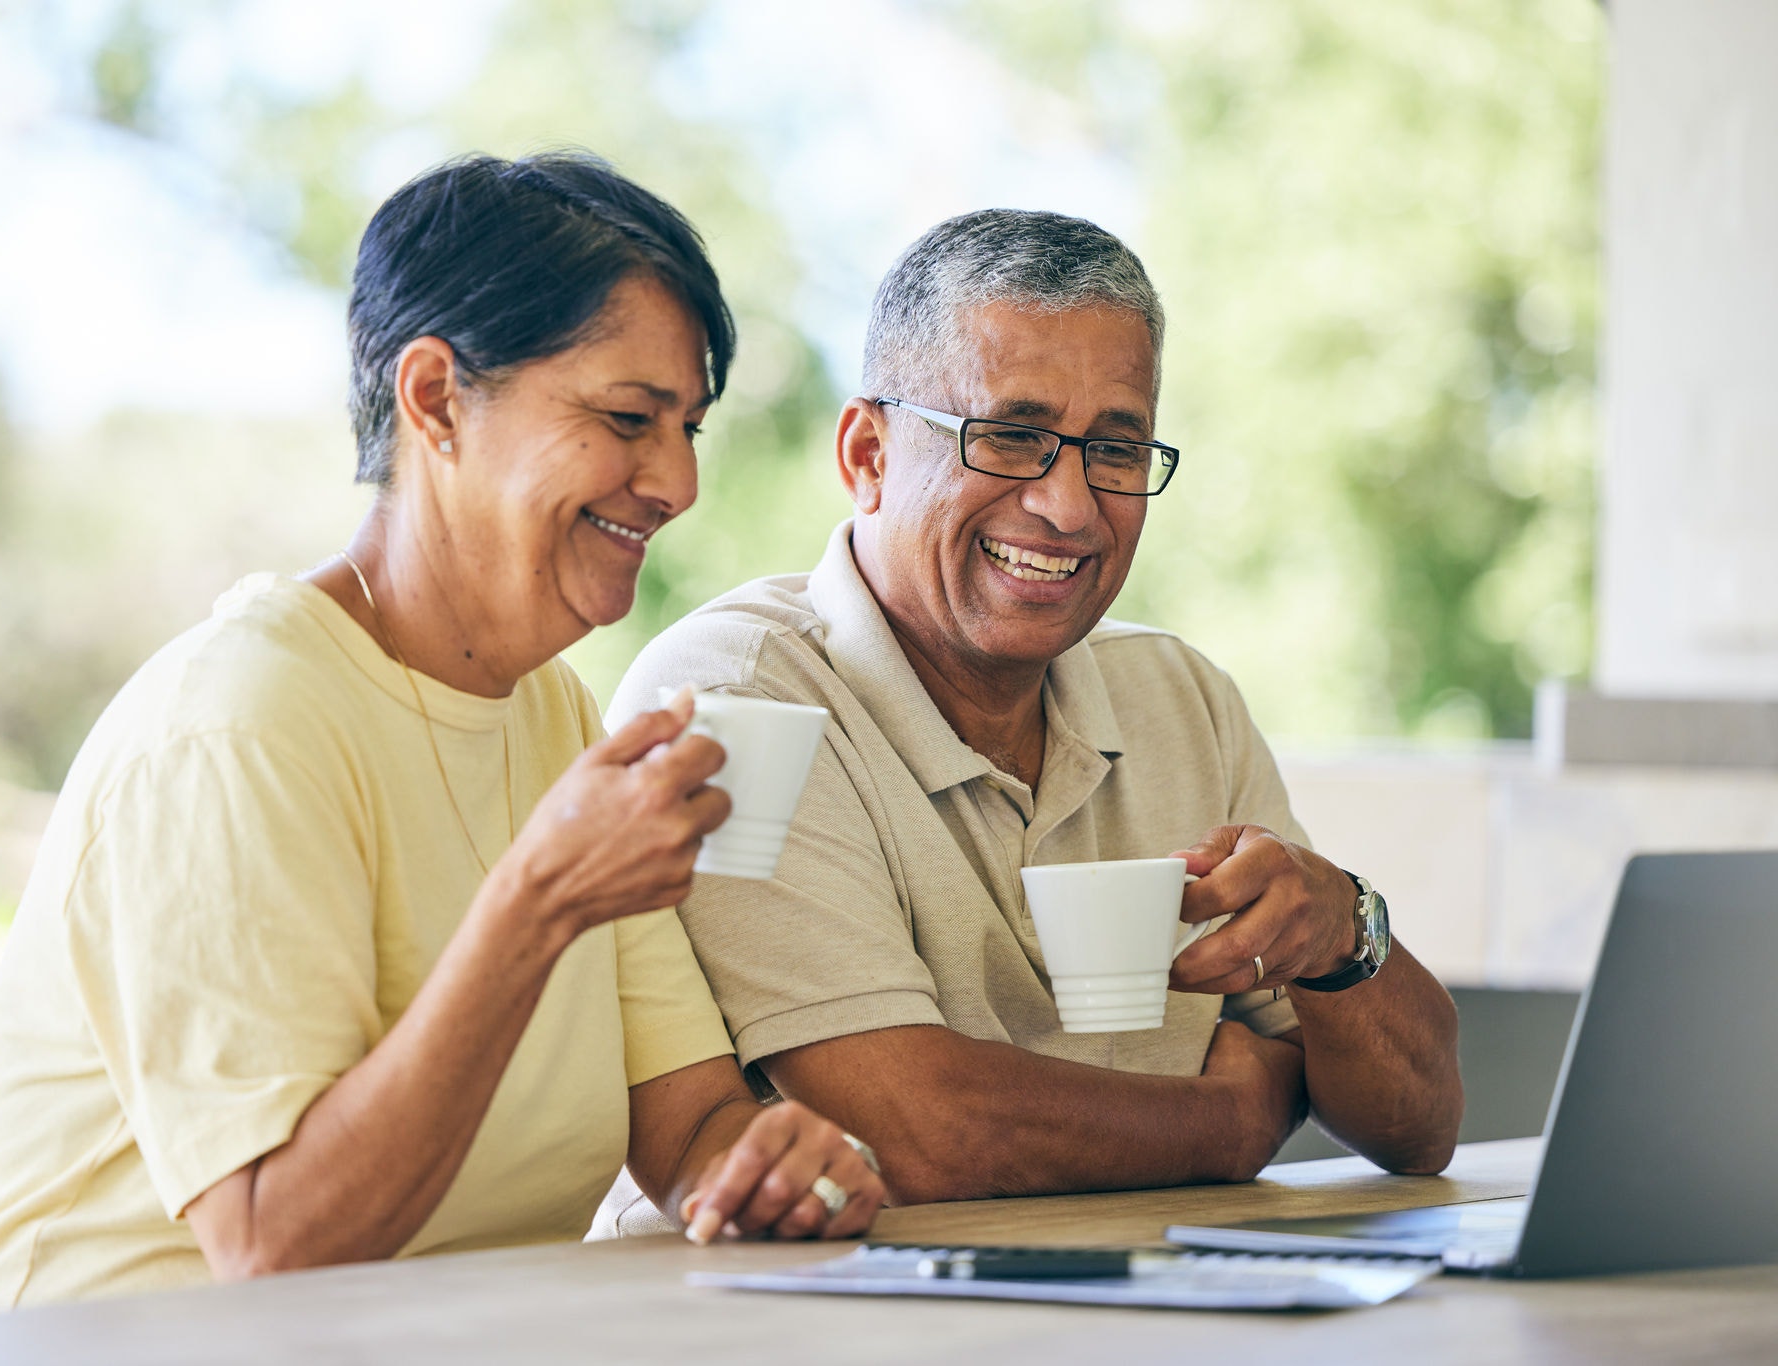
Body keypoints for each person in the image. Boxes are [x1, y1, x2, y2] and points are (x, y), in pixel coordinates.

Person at [0, 152, 883, 1316]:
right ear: (433, 400)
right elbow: (276, 1249)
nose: (675, 480)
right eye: (628, 418)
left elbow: (685, 1125)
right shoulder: (241, 721)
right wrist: (537, 903)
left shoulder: (554, 712)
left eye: (687, 428)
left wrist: (767, 1164)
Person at [607, 209, 1465, 1207]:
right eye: (1010, 437)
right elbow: (912, 1132)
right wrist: (1230, 1119)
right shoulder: (739, 694)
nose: (1067, 507)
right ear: (867, 455)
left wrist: (1341, 938)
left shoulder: (1182, 699)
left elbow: (1422, 1129)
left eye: (1115, 449)